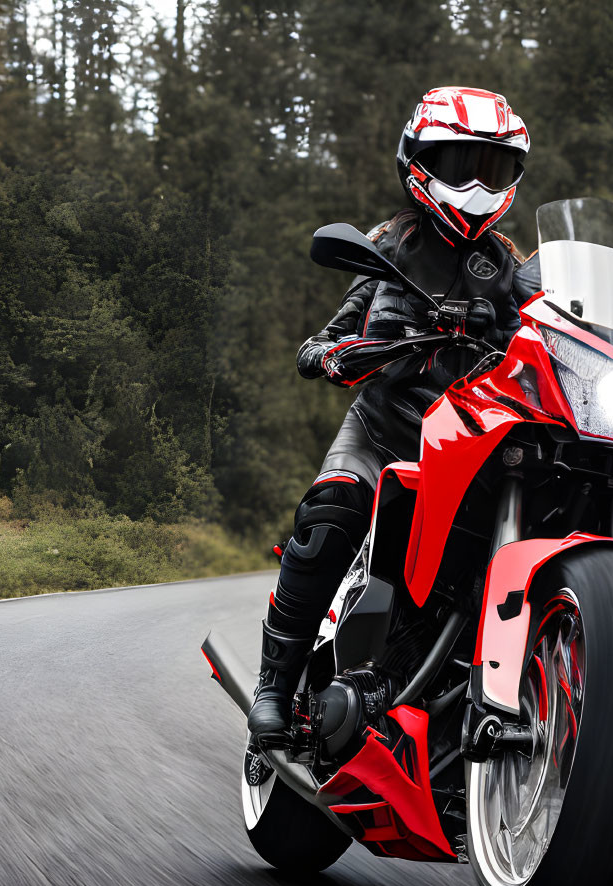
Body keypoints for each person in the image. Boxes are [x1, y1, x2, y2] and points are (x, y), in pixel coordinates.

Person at [248, 86, 541, 742]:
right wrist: (338, 357)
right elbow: (317, 345)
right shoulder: (389, 248)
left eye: (489, 169)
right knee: (334, 509)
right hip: (385, 433)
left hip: (471, 447)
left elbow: (566, 332)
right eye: (457, 164)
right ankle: (273, 685)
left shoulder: (514, 268)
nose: (473, 184)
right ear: (418, 162)